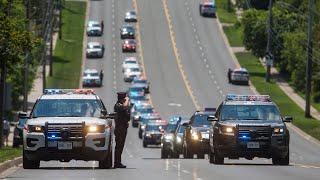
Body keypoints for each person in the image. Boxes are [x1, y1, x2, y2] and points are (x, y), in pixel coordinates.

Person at [114, 92, 130, 168]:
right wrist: (127, 100)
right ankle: (117, 162)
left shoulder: (121, 106)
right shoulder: (118, 105)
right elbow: (125, 107)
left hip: (123, 128)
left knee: (121, 146)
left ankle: (118, 162)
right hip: (120, 129)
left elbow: (127, 116)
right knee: (119, 146)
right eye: (124, 99)